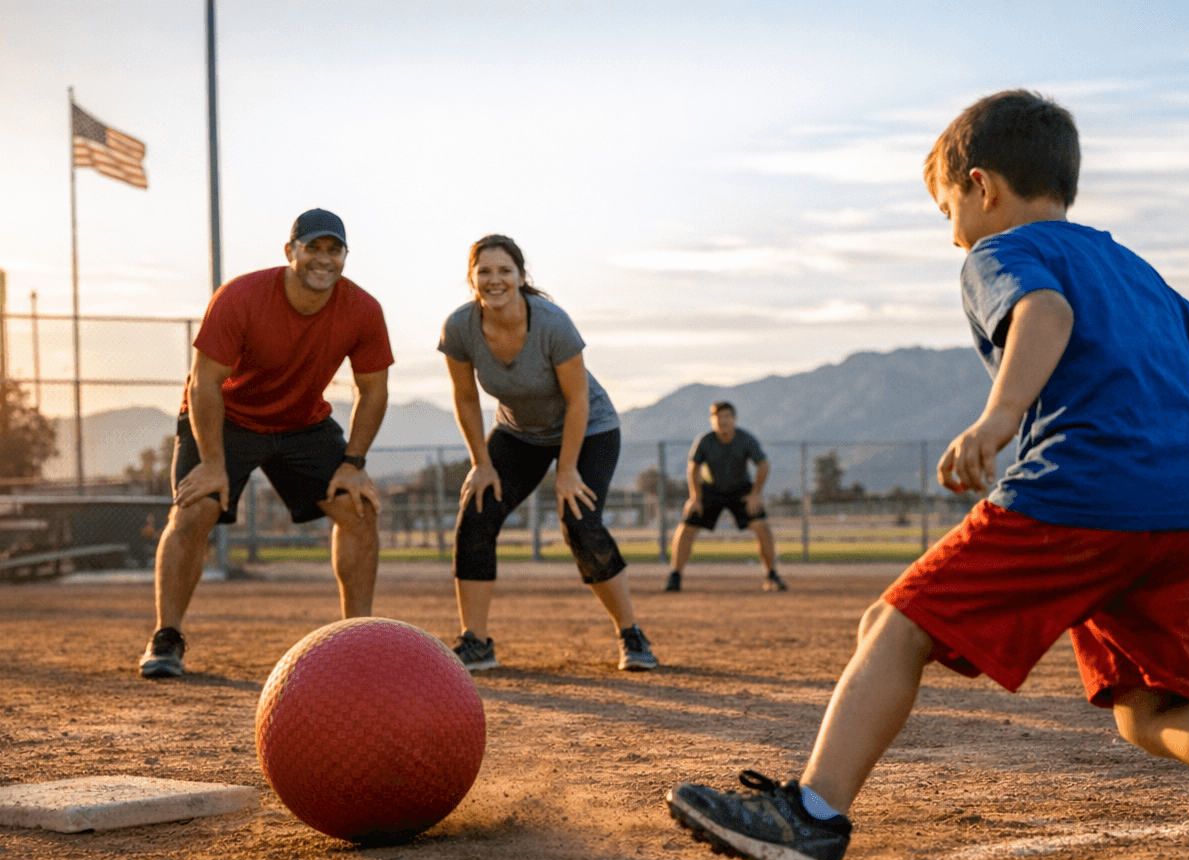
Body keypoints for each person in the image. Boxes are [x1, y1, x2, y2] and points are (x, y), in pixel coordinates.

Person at [666, 90, 1189, 860]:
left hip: (1084, 488)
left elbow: (1043, 311)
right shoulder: (1135, 268)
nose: (954, 233)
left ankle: (813, 817)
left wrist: (998, 419)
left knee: (894, 625)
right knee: (1149, 708)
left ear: (982, 186)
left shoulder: (1002, 253)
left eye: (947, 211)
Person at [139, 209, 391, 678]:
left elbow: (374, 389)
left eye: (333, 249)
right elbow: (204, 384)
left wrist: (354, 462)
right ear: (289, 251)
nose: (323, 258)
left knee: (356, 507)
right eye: (312, 247)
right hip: (227, 417)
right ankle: (166, 638)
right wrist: (213, 462)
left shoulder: (363, 309)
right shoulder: (241, 296)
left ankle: (360, 638)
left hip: (302, 421)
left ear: (344, 257)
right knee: (194, 508)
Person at [440, 234, 656, 673]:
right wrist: (481, 463)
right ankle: (476, 642)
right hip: (518, 433)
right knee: (476, 513)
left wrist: (568, 471)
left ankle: (631, 634)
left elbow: (577, 401)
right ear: (472, 278)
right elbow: (465, 398)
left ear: (521, 277)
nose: (495, 279)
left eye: (505, 271)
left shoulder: (553, 324)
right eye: (485, 271)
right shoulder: (460, 327)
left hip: (590, 428)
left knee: (579, 521)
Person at [664, 401, 787, 593]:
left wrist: (755, 495)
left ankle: (772, 574)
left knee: (761, 526)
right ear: (712, 420)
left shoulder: (745, 439)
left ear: (734, 419)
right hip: (711, 490)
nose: (723, 421)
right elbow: (693, 468)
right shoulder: (705, 441)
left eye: (727, 416)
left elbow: (763, 464)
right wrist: (695, 498)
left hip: (741, 491)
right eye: (718, 417)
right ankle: (675, 576)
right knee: (686, 528)